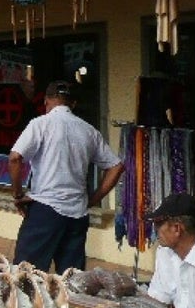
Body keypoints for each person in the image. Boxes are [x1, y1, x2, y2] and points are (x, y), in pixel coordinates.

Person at [8, 80, 124, 272]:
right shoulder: (88, 130)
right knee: (72, 280)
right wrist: (93, 199)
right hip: (77, 215)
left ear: (46, 101)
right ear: (73, 104)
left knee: (26, 277)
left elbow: (14, 158)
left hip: (44, 210)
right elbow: (116, 167)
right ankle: (69, 303)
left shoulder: (40, 124)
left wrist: (18, 195)